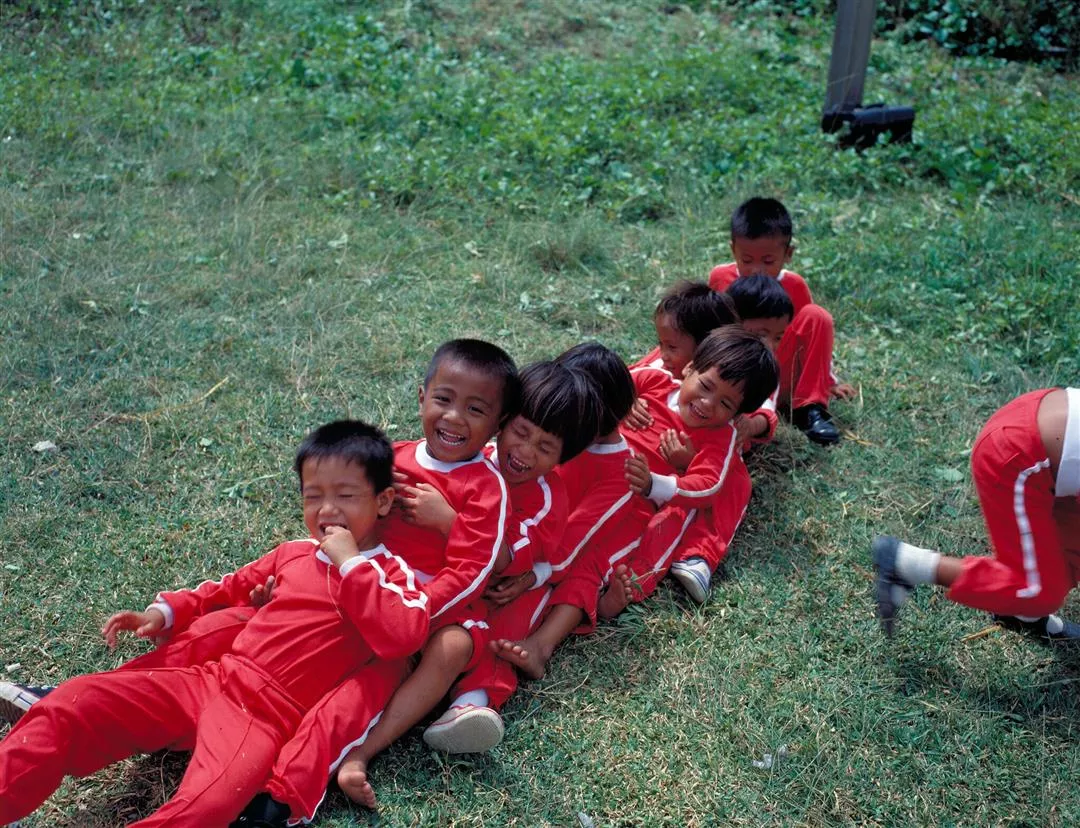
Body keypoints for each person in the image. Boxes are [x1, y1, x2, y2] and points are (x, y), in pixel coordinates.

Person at [0, 420, 431, 827]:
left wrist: (351, 563)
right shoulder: (294, 553)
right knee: (74, 700)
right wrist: (164, 613)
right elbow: (228, 588)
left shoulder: (391, 576)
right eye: (312, 496)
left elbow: (403, 636)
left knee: (205, 806)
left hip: (261, 720)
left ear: (383, 502)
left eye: (346, 496)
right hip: (210, 680)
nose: (327, 510)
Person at [234, 338, 520, 825]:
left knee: (439, 653)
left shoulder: (488, 488)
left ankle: (359, 753)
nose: (454, 418)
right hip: (367, 590)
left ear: (498, 424)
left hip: (429, 612)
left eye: (476, 409)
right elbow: (349, 527)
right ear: (422, 397)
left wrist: (415, 605)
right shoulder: (393, 460)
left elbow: (472, 571)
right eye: (443, 399)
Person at [394, 360, 602, 756]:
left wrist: (449, 521)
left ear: (562, 458)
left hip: (497, 585)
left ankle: (472, 702)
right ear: (501, 422)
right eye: (520, 433)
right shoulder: (474, 453)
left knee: (506, 625)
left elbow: (502, 559)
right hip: (448, 577)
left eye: (545, 448)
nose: (524, 452)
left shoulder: (545, 498)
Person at [874, 387, 1080, 641]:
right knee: (1039, 592)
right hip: (1018, 454)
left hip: (1041, 422)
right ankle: (906, 563)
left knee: (1071, 544)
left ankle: (1022, 614)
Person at [491, 342, 639, 684]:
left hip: (584, 544)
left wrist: (532, 575)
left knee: (584, 572)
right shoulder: (550, 436)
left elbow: (575, 541)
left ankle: (542, 645)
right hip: (543, 534)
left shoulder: (619, 474)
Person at [708, 197, 855, 446]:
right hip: (736, 372)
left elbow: (813, 338)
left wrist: (828, 382)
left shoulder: (795, 286)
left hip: (780, 370)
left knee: (818, 316)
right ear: (733, 250)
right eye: (747, 260)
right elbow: (708, 329)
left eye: (768, 261)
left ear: (788, 254)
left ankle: (810, 408)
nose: (757, 270)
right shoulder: (720, 278)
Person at [625, 281, 738, 430]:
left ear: (705, 349)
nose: (663, 355)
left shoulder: (727, 387)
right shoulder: (658, 365)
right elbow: (617, 382)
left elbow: (754, 408)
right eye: (660, 344)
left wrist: (754, 424)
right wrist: (627, 402)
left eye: (671, 347)